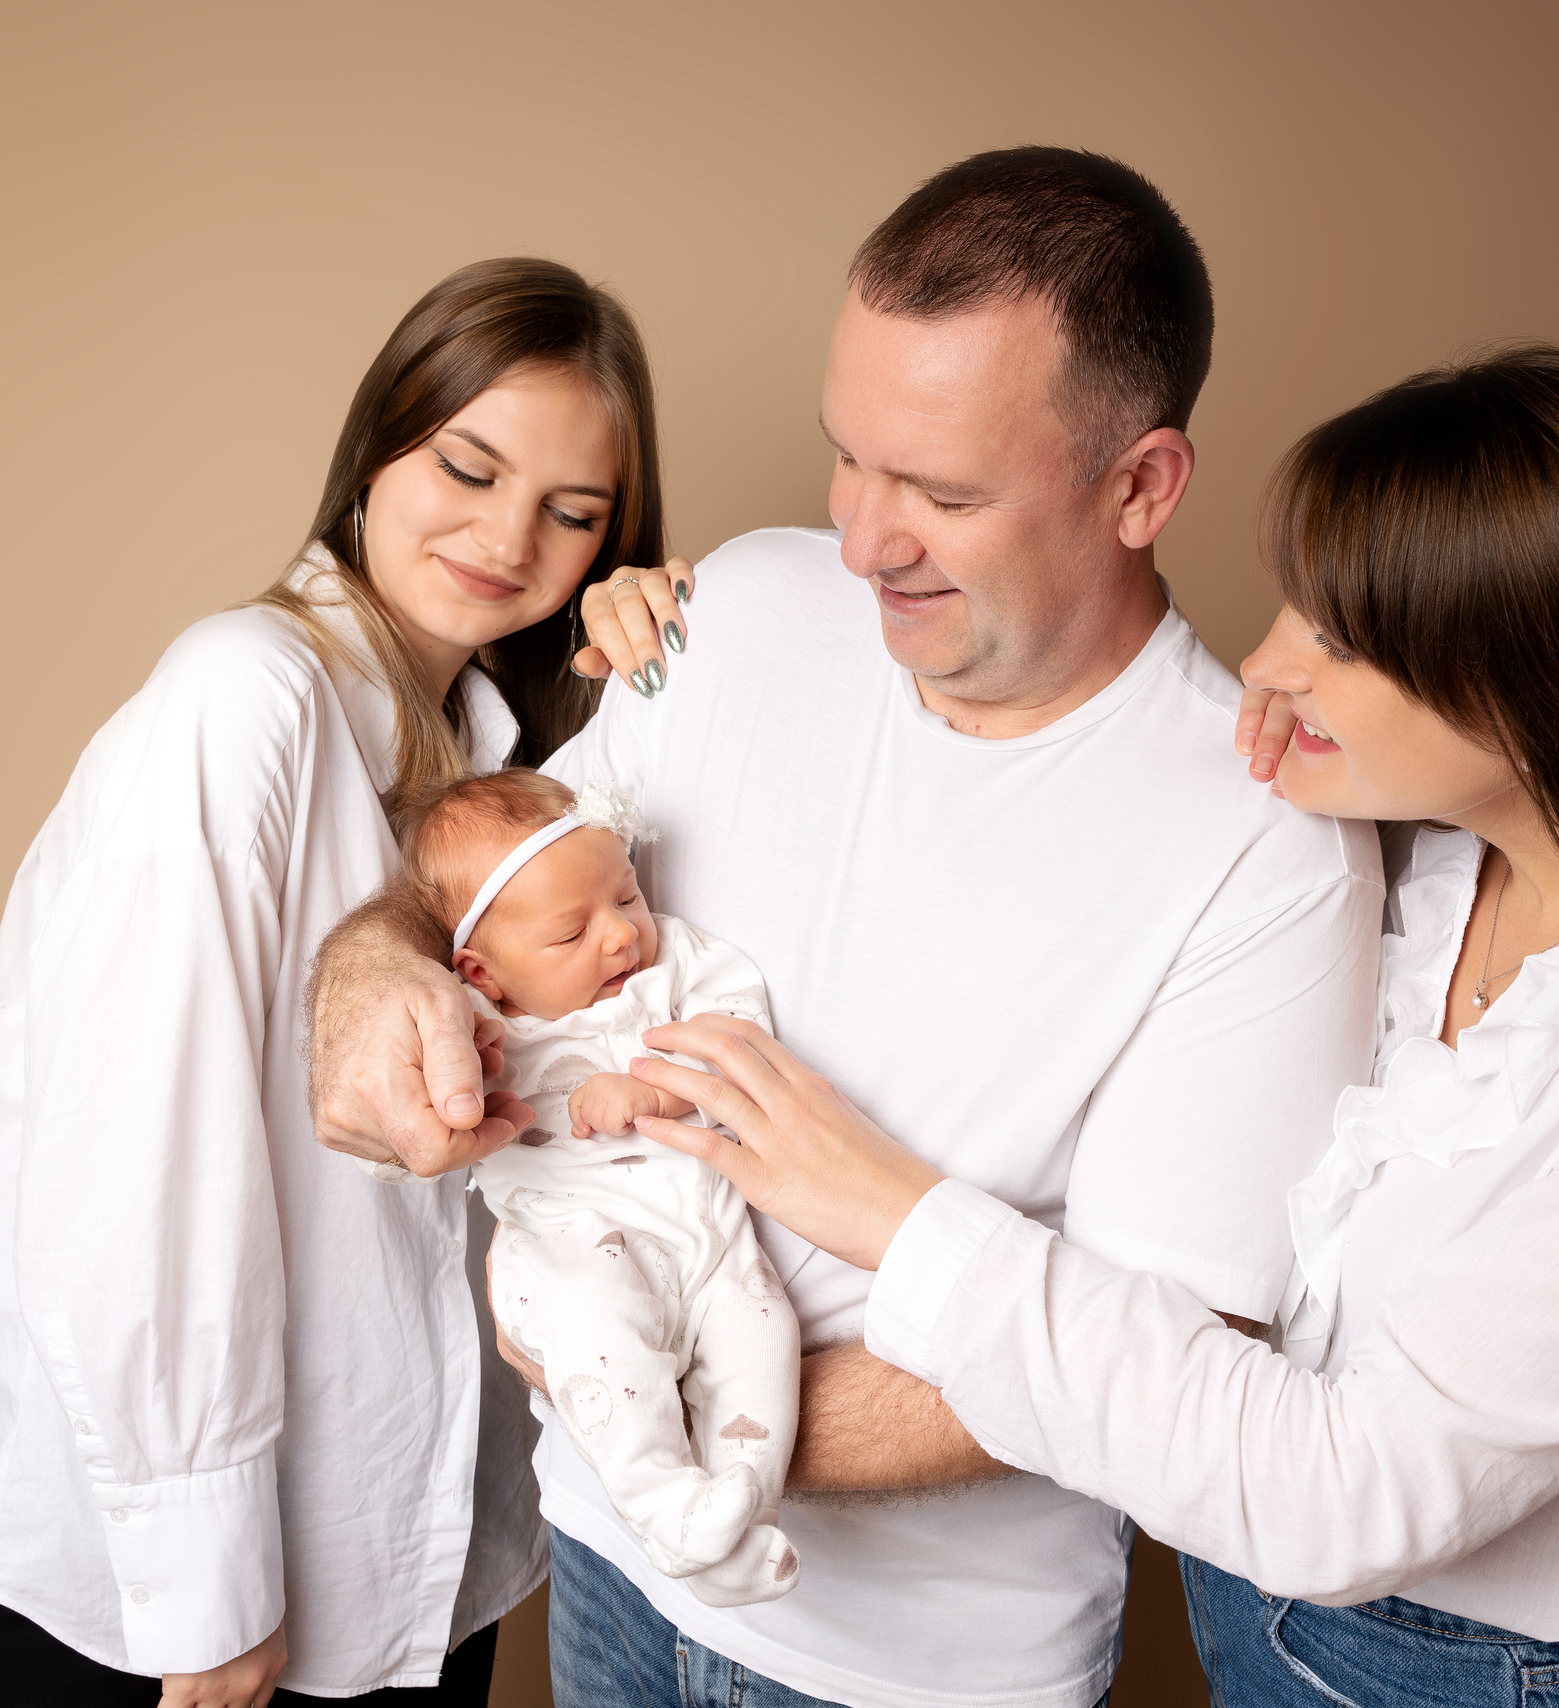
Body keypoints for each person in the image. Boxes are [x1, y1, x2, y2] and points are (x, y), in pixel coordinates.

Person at [622, 348, 1559, 1708]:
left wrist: (898, 1215)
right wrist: (696, 622)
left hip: (1469, 1680)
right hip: (1248, 1624)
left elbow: (1345, 1493)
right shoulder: (1436, 873)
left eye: (1342, 639)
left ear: (1541, 687)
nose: (1268, 662)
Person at [306, 149, 1381, 1707]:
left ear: (1141, 487)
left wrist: (668, 1400)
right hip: (603, 1560)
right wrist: (367, 973)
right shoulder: (742, 603)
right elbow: (483, 888)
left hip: (908, 1670)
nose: (867, 539)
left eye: (944, 493)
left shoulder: (1268, 854)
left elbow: (1155, 1358)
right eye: (849, 460)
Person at [0, 257, 676, 1706]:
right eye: (468, 467)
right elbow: (133, 1157)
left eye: (572, 511)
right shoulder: (245, 694)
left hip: (416, 1568)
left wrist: (659, 669)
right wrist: (207, 1587)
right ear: (377, 448)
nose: (505, 536)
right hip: (183, 1613)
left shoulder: (499, 757)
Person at [398, 768, 801, 1607]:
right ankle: (662, 1504)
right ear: (483, 972)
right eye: (571, 932)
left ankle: (736, 1527)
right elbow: (408, 1115)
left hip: (708, 1237)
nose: (620, 935)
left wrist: (660, 1091)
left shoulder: (677, 962)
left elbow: (744, 1037)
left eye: (626, 896)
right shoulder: (476, 1028)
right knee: (602, 1335)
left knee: (762, 1336)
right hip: (571, 1249)